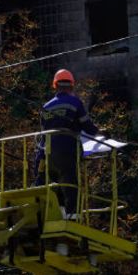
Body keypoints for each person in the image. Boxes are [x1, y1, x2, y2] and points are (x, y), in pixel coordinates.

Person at [39, 69, 98, 217]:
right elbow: (88, 127)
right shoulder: (75, 102)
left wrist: (38, 164)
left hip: (50, 153)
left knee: (55, 185)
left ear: (55, 85)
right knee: (71, 183)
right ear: (71, 86)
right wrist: (101, 133)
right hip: (68, 150)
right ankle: (73, 216)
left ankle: (60, 214)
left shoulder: (46, 107)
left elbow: (42, 136)